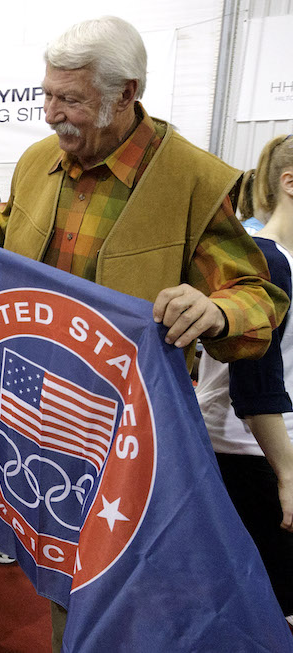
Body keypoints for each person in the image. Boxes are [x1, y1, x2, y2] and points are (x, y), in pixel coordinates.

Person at [0, 16, 289, 653]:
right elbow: (6, 224)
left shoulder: (192, 179)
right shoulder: (35, 160)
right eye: (47, 94)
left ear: (127, 92)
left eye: (70, 99)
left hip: (105, 416)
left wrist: (217, 312)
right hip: (8, 378)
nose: (51, 113)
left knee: (85, 553)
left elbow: (259, 294)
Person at [196, 134, 293, 630]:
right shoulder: (264, 259)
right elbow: (256, 385)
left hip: (266, 454)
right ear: (289, 182)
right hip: (248, 455)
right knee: (260, 609)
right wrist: (288, 473)